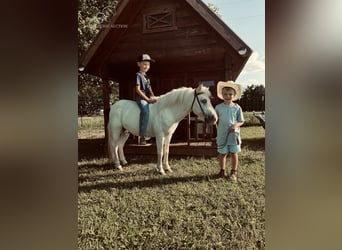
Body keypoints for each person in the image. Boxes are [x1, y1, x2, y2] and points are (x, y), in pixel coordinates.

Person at [215, 81, 244, 181]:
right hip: (222, 134)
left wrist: (235, 125)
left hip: (233, 135)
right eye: (225, 94)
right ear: (222, 95)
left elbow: (241, 121)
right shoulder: (218, 107)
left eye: (230, 94)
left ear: (234, 95)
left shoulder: (237, 107)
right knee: (222, 154)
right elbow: (215, 119)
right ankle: (222, 171)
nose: (228, 96)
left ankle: (233, 172)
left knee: (233, 153)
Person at [135, 54, 157, 145]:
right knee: (145, 110)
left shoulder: (146, 77)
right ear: (138, 64)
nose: (146, 66)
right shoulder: (138, 75)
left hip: (148, 97)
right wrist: (147, 100)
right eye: (144, 64)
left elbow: (149, 89)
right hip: (141, 98)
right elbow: (137, 89)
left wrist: (154, 97)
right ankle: (142, 136)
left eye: (148, 64)